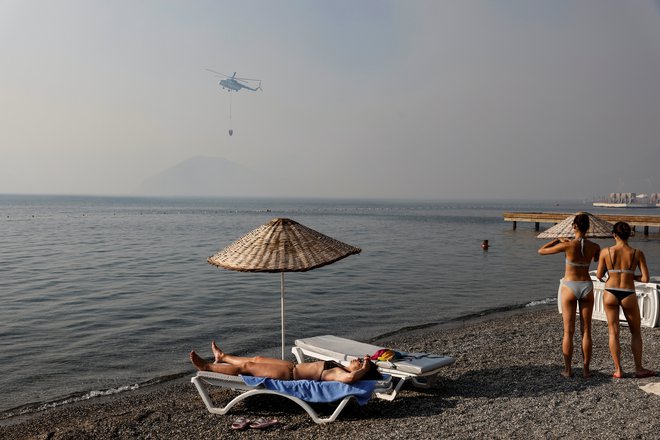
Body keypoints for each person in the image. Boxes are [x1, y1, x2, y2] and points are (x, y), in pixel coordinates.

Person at [538, 213, 600, 378]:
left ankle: (568, 370)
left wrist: (558, 240)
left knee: (568, 331)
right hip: (586, 286)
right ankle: (586, 371)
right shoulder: (595, 246)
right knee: (586, 331)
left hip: (570, 286)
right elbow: (596, 260)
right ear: (588, 228)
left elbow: (541, 251)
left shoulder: (567, 245)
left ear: (574, 227)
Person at [596, 221, 655, 379]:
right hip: (628, 292)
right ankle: (638, 368)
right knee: (635, 332)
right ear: (629, 235)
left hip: (610, 292)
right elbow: (645, 278)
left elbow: (599, 275)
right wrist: (631, 275)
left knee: (613, 332)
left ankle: (618, 370)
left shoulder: (606, 252)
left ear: (614, 235)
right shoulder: (637, 253)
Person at [190, 341, 382, 383]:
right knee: (256, 359)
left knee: (247, 368)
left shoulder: (341, 374)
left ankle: (206, 366)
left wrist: (363, 370)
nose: (358, 360)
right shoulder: (341, 366)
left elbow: (349, 379)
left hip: (289, 375)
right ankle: (222, 357)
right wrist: (365, 364)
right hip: (291, 366)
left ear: (363, 371)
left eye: (361, 363)